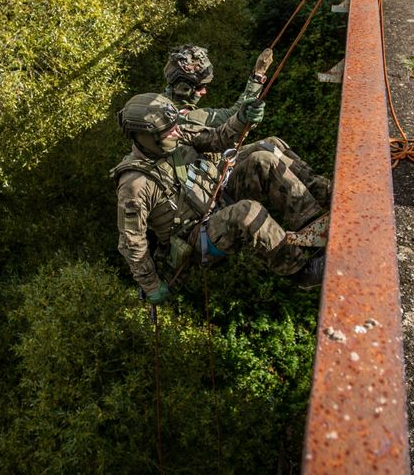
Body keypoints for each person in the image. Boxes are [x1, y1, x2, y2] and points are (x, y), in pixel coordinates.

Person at [112, 93, 326, 304]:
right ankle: (302, 272)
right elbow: (132, 241)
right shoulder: (134, 185)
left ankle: (316, 225)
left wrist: (241, 119)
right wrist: (151, 285)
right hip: (198, 235)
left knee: (266, 154)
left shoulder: (176, 132)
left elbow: (217, 138)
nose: (177, 132)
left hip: (220, 194)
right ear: (146, 137)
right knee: (248, 212)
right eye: (169, 132)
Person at [162, 44, 332, 206]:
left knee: (272, 144)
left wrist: (258, 75)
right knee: (264, 160)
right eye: (201, 87)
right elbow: (233, 115)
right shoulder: (182, 117)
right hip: (211, 190)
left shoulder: (169, 111)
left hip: (214, 173)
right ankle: (312, 212)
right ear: (184, 88)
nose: (204, 92)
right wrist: (258, 75)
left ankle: (324, 191)